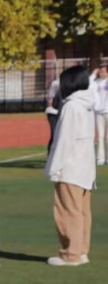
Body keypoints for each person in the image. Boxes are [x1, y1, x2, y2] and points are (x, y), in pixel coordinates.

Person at [45, 64, 97, 267]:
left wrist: (53, 168)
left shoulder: (71, 106)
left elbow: (63, 141)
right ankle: (81, 250)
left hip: (69, 167)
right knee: (82, 211)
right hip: (85, 167)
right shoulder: (87, 104)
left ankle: (71, 253)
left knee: (68, 211)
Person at [93, 65, 108, 166]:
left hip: (107, 111)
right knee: (100, 136)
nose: (101, 73)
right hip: (98, 111)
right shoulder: (96, 82)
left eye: (103, 71)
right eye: (100, 71)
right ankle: (100, 157)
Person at [46, 75, 62, 153]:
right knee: (55, 133)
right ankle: (51, 153)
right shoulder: (56, 83)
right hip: (53, 112)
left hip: (59, 112)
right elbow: (50, 99)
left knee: (59, 134)